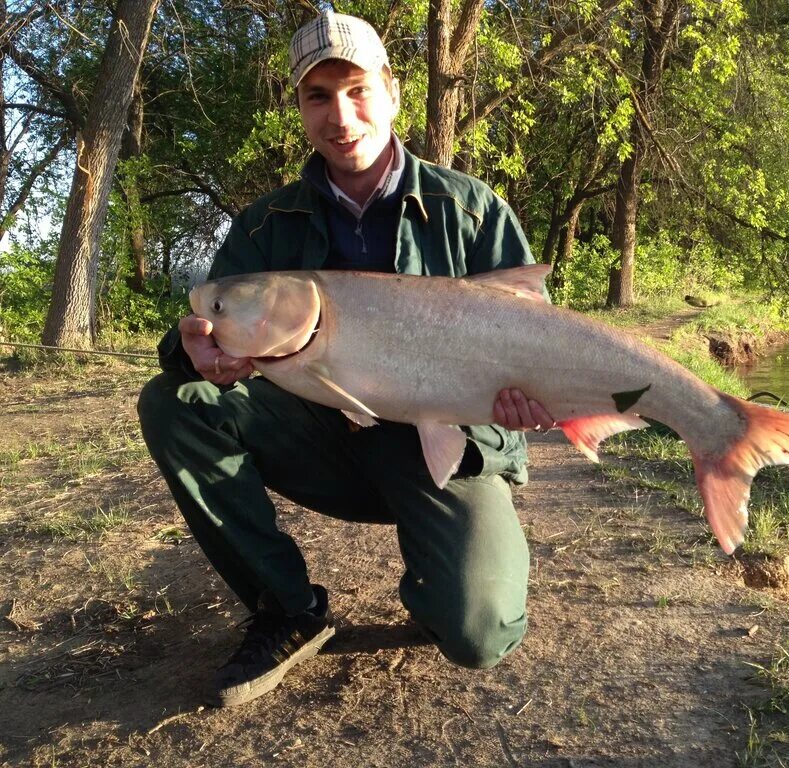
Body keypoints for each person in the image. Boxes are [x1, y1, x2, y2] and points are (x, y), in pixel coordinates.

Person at [137, 11, 553, 708]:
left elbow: (536, 344)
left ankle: (443, 571)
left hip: (441, 449)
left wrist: (528, 404)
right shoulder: (265, 228)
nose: (341, 115)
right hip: (320, 440)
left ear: (392, 92)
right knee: (172, 401)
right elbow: (198, 332)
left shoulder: (473, 210)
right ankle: (288, 608)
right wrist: (191, 347)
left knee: (480, 635)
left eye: (358, 89)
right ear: (299, 109)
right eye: (318, 96)